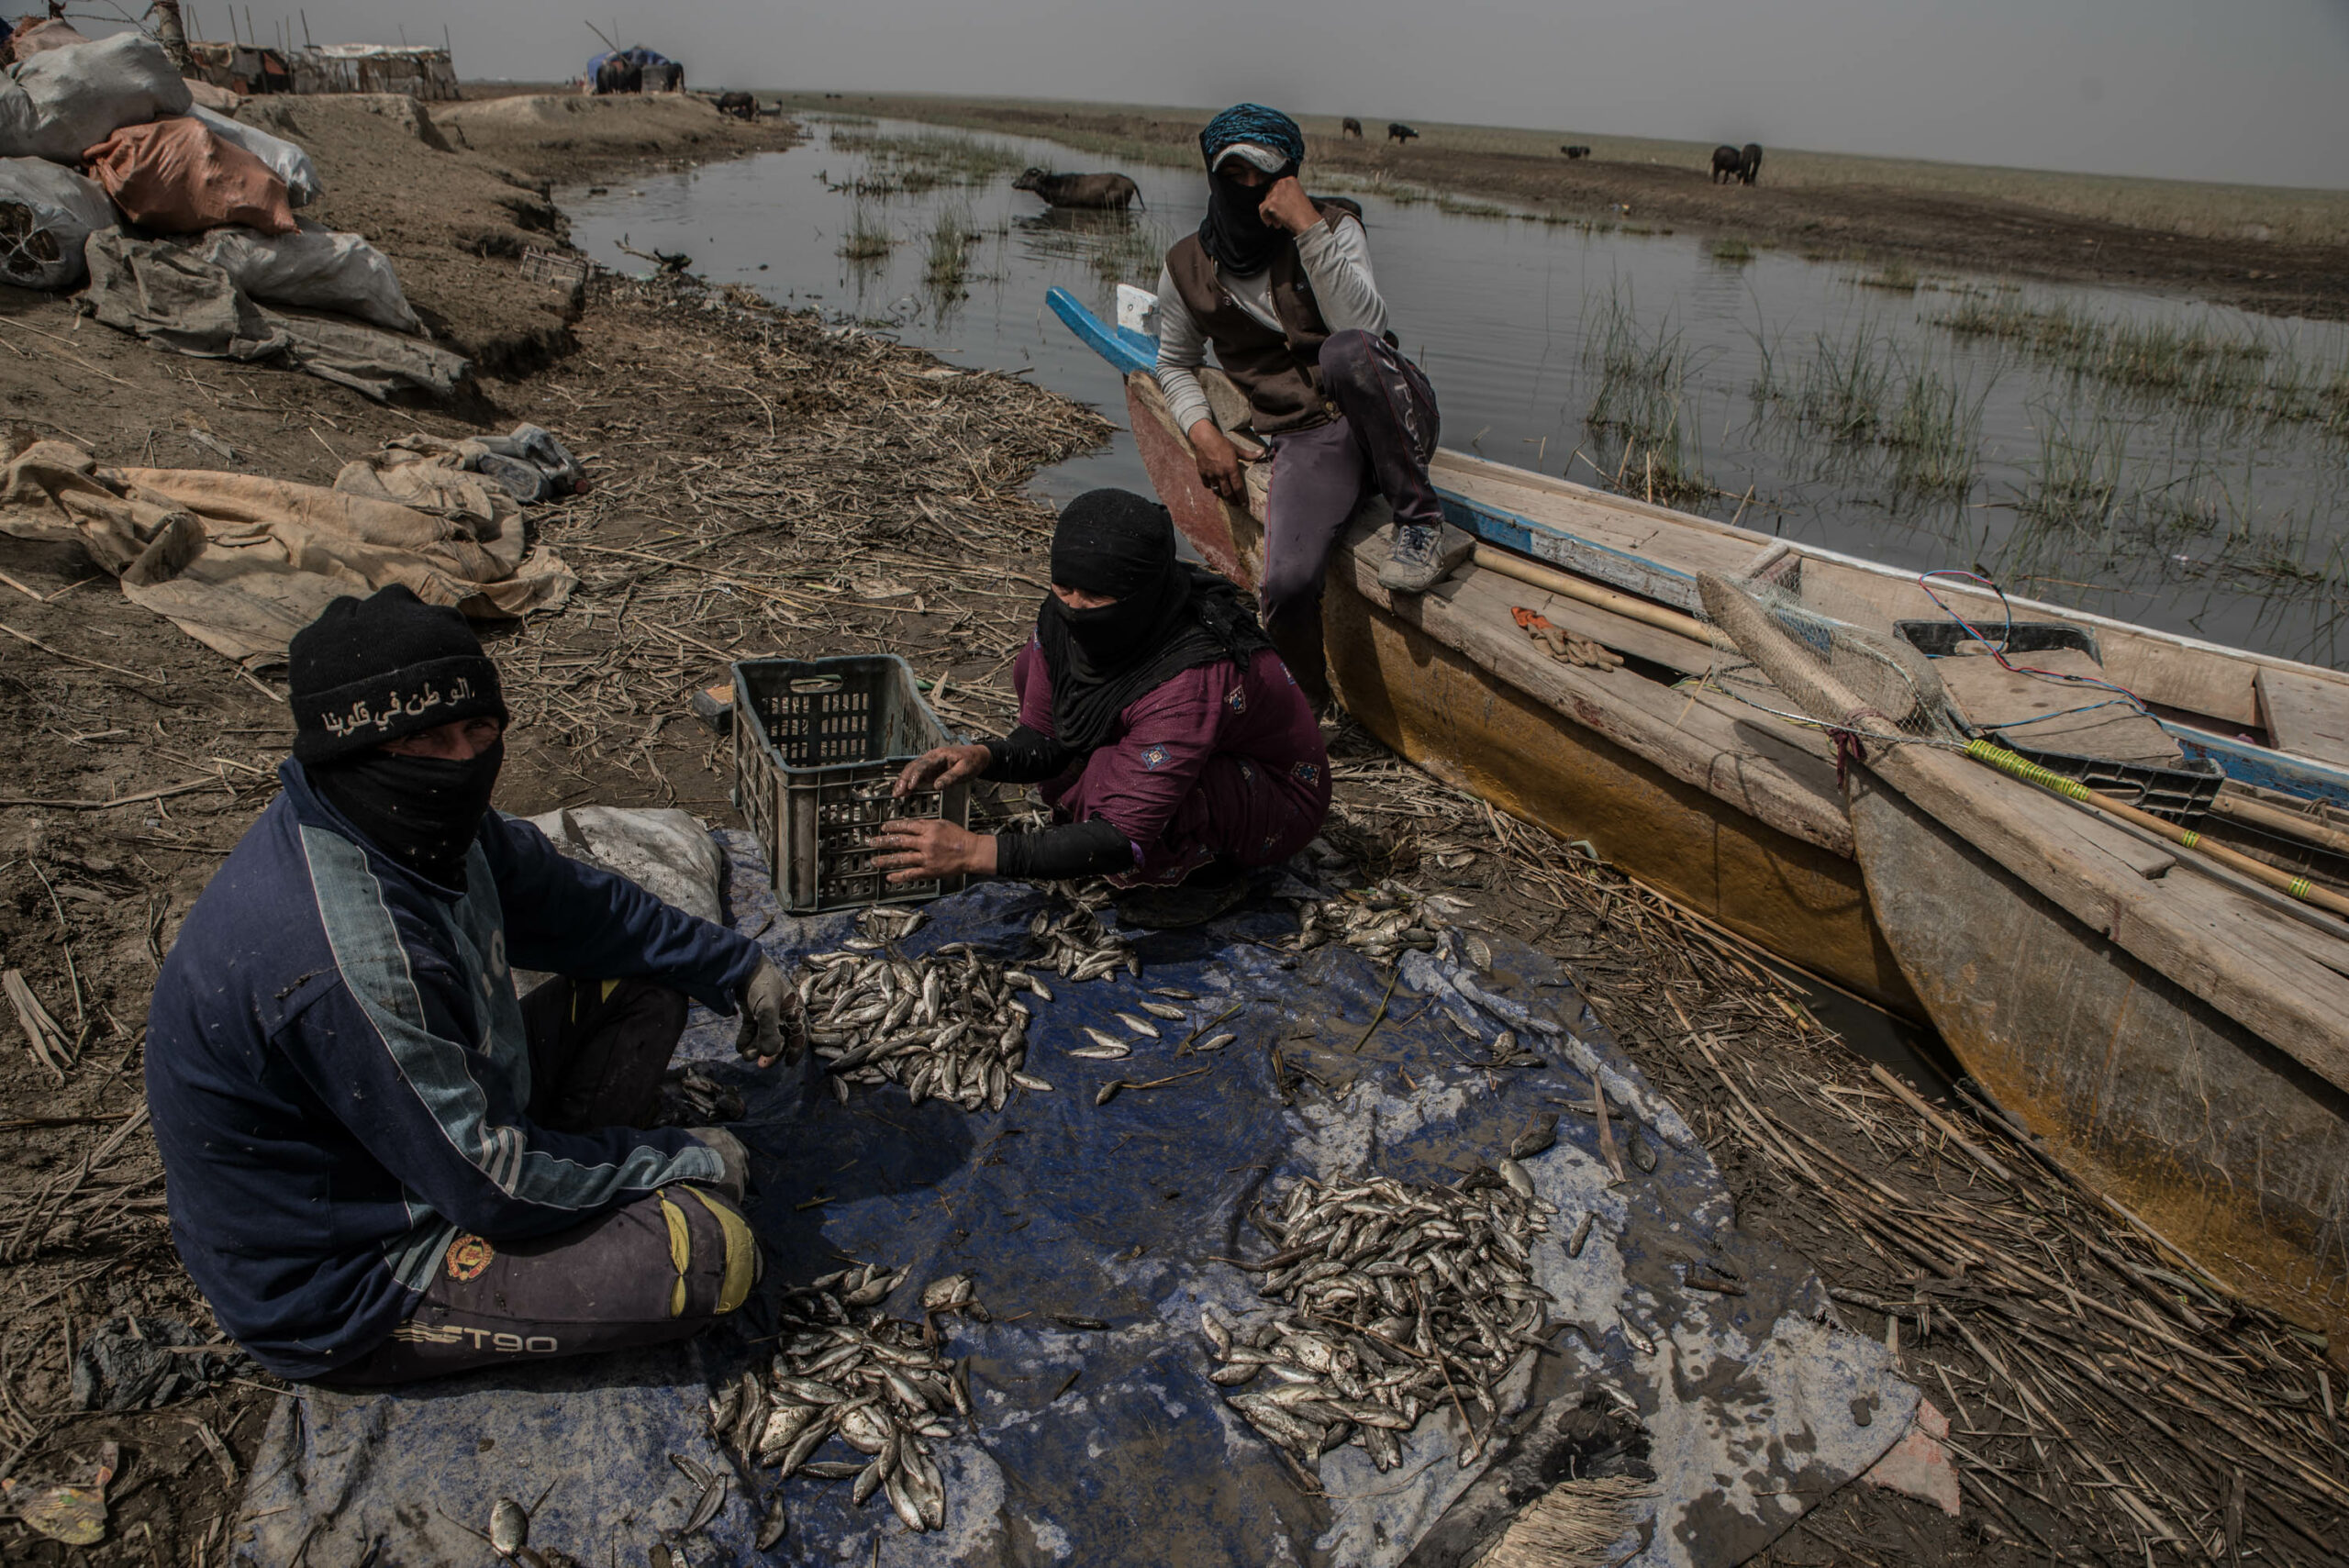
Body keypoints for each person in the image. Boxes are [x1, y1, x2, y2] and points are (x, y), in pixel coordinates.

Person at [144, 585, 803, 1386]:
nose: (462, 764)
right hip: (359, 1270)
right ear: (347, 754)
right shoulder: (343, 957)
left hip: (432, 1148)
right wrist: (678, 1155)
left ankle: (567, 1169)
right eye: (426, 742)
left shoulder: (426, 830)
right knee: (713, 1258)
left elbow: (580, 908)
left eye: (478, 730)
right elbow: (489, 1187)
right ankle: (538, 1215)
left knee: (647, 977)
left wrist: (735, 967)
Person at [870, 489, 1330, 928]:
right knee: (1033, 666)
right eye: (1064, 587)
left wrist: (973, 852)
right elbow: (1049, 739)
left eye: (1095, 598)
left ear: (1141, 595)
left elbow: (1118, 839)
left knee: (1114, 781)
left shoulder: (1189, 676)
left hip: (1270, 798)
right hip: (1170, 744)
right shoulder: (1062, 618)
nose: (1074, 608)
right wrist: (985, 757)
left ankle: (1210, 876)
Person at [1152, 102, 1474, 703]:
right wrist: (1203, 432)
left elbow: (1370, 332)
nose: (1249, 190)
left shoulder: (1333, 227)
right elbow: (1173, 362)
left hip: (1387, 409)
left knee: (1346, 350)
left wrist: (1307, 229)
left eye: (1264, 176)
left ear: (1290, 176)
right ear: (1213, 178)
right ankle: (1309, 707)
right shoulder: (1188, 266)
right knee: (1287, 583)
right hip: (1308, 434)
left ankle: (1421, 522)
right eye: (1234, 177)